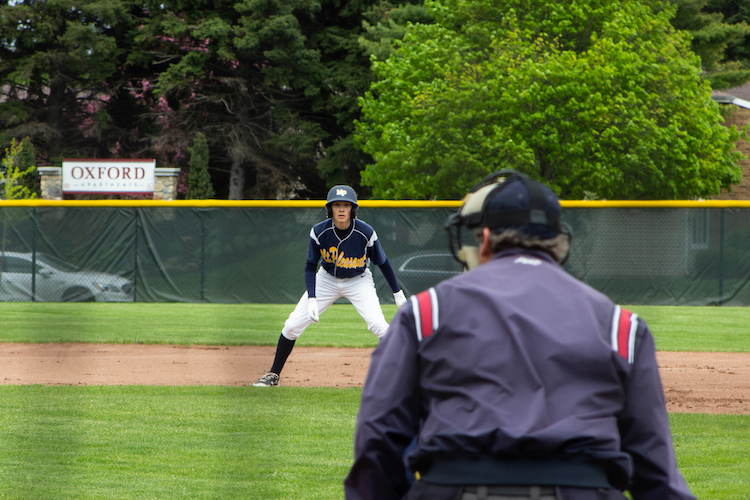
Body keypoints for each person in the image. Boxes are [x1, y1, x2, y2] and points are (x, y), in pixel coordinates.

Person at [344, 171, 695, 500]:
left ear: (484, 239)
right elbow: (655, 469)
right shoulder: (621, 325)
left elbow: (379, 440)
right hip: (583, 488)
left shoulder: (426, 311)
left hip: (455, 485)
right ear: (560, 243)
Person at [253, 185, 407, 387]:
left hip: (359, 281)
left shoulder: (365, 232)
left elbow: (383, 263)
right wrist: (312, 298)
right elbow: (310, 266)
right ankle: (274, 374)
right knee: (291, 326)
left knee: (379, 326)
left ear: (353, 208)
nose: (341, 209)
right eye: (337, 205)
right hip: (326, 279)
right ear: (330, 209)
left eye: (346, 205)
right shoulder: (319, 231)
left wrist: (398, 293)